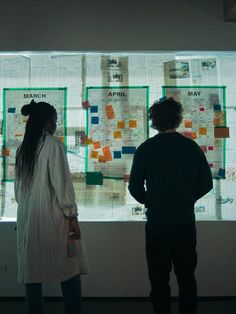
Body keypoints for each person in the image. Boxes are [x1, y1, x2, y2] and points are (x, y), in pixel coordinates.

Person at [128, 97, 213, 314]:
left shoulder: (146, 149)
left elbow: (135, 188)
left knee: (158, 277)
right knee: (186, 276)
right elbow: (207, 183)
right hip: (184, 220)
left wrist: (153, 200)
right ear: (178, 118)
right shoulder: (191, 147)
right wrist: (187, 198)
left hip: (157, 222)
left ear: (154, 121)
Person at [15, 99, 85, 314]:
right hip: (54, 218)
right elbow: (62, 186)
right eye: (55, 120)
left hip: (28, 218)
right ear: (47, 122)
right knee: (70, 269)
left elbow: (18, 192)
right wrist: (71, 215)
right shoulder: (53, 145)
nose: (56, 125)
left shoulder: (22, 148)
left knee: (32, 273)